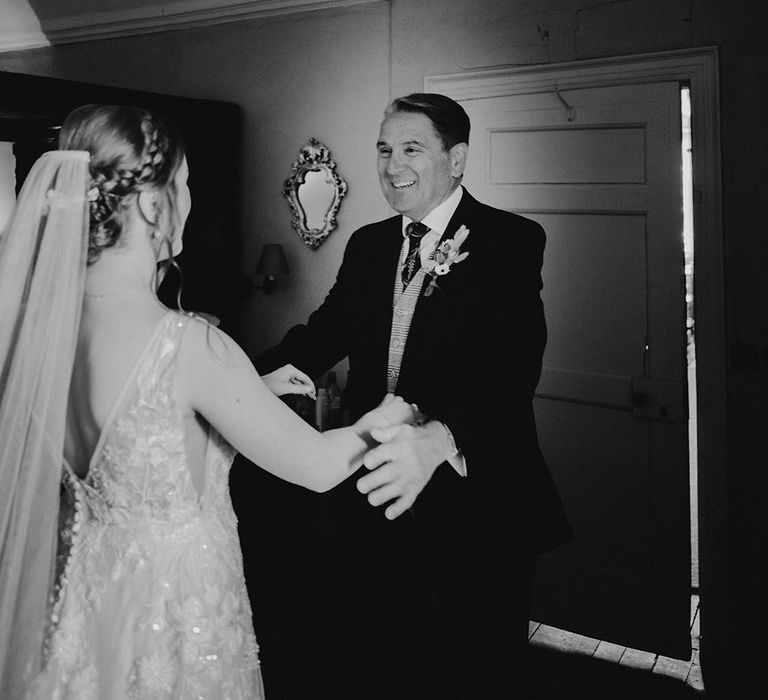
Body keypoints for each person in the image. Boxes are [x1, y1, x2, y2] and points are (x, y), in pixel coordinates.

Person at [0, 104, 415, 699]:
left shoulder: (33, 334)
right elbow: (320, 468)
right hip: (174, 618)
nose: (189, 201)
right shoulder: (187, 344)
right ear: (150, 203)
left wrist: (245, 396)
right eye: (185, 184)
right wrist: (394, 415)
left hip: (88, 608)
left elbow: (137, 434)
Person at [254, 93, 573, 698]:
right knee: (384, 654)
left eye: (410, 148)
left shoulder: (511, 240)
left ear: (456, 159)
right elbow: (323, 334)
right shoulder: (370, 245)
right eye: (382, 148)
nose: (391, 163)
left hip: (480, 499)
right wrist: (236, 380)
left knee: (478, 666)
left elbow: (513, 369)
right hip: (378, 492)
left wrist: (442, 435)